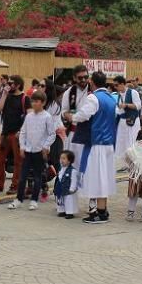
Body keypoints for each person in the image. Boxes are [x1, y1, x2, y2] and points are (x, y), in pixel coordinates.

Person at [67, 71, 118, 224]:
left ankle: (99, 213)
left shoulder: (93, 97)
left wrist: (72, 117)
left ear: (92, 82)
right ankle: (103, 209)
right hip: (108, 143)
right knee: (104, 177)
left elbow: (83, 115)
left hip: (96, 143)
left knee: (96, 177)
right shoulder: (111, 97)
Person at [10, 91, 58, 210]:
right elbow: (23, 132)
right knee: (23, 176)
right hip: (28, 150)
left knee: (37, 176)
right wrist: (22, 146)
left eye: (37, 101)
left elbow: (52, 134)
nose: (34, 104)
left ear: (43, 103)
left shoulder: (47, 117)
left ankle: (34, 200)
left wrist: (46, 146)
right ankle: (18, 199)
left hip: (39, 151)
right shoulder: (29, 116)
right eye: (33, 101)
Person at [0, 75, 27, 194]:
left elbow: (28, 117)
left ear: (18, 85)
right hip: (5, 133)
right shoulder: (6, 96)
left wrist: (22, 131)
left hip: (17, 134)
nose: (9, 85)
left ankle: (15, 185)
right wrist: (5, 94)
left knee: (18, 161)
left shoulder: (24, 98)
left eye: (11, 83)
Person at [61, 65, 90, 162]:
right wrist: (66, 115)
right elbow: (63, 111)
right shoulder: (69, 93)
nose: (83, 80)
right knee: (74, 162)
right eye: (80, 78)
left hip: (90, 132)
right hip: (74, 133)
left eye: (85, 77)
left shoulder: (93, 90)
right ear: (74, 78)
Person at [114, 75, 142, 161]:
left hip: (132, 121)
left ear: (123, 84)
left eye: (116, 85)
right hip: (122, 122)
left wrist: (126, 105)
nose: (115, 87)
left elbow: (138, 106)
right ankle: (121, 164)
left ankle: (132, 163)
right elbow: (119, 110)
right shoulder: (118, 95)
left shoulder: (132, 92)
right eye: (114, 85)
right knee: (121, 142)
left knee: (131, 142)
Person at [54, 150, 79, 219]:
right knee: (61, 200)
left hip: (68, 189)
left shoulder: (73, 171)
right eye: (61, 158)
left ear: (69, 160)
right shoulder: (60, 169)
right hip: (61, 188)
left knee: (69, 201)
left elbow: (74, 180)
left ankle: (70, 212)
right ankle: (62, 211)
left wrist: (72, 188)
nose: (61, 160)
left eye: (64, 158)